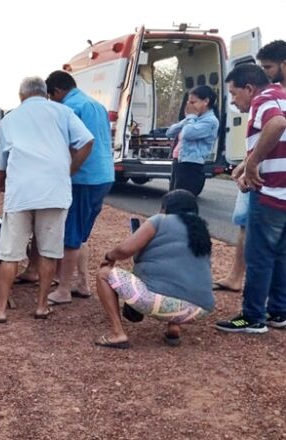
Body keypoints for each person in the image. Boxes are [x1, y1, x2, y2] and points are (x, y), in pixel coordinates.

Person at [0, 76, 93, 323]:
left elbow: (2, 164)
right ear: (45, 93)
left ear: (21, 96)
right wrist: (69, 169)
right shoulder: (63, 112)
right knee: (48, 251)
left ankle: (0, 309)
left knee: (10, 254)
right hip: (54, 191)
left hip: (21, 191)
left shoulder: (9, 119)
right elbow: (87, 141)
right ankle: (42, 306)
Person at [215, 64, 286, 333]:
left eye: (234, 94)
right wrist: (245, 163)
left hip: (268, 192)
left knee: (258, 256)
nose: (233, 101)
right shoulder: (282, 96)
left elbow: (277, 124)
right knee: (280, 255)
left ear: (249, 88)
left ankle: (252, 317)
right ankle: (278, 312)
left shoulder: (263, 99)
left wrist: (253, 163)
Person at [94, 190, 214, 349]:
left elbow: (125, 250)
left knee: (104, 275)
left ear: (165, 208)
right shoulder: (201, 231)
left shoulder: (160, 220)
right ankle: (174, 328)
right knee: (179, 276)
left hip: (158, 303)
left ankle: (118, 334)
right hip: (199, 310)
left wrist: (109, 257)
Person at [45, 70, 115, 306]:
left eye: (51, 96)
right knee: (82, 233)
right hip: (105, 176)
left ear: (56, 91)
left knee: (71, 236)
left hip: (83, 178)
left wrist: (66, 171)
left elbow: (70, 145)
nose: (52, 101)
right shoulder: (96, 105)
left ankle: (63, 290)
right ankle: (82, 284)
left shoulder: (68, 108)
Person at [167, 85, 220, 196]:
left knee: (181, 200)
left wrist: (191, 116)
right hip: (179, 162)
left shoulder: (210, 121)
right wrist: (187, 119)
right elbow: (170, 132)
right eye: (188, 102)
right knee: (172, 198)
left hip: (191, 165)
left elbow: (188, 133)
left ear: (205, 101)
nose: (189, 106)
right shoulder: (193, 119)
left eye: (193, 102)